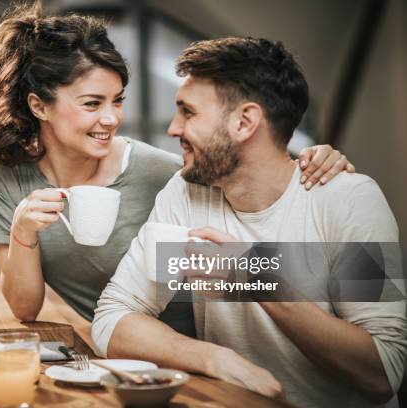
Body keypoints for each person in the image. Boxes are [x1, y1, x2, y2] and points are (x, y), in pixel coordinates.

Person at [0, 3, 354, 333]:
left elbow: (261, 197)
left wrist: (308, 164)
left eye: (117, 101)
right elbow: (27, 309)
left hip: (193, 345)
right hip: (117, 347)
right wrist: (22, 229)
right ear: (39, 106)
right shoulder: (6, 176)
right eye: (92, 104)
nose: (111, 118)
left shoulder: (167, 175)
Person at [91, 37, 406, 407]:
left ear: (244, 122)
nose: (173, 129)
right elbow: (115, 315)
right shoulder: (187, 193)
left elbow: (384, 373)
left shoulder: (349, 200)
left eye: (188, 112)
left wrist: (253, 275)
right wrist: (214, 358)